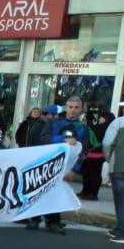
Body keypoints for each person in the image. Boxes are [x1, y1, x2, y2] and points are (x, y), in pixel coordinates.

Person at [37, 96, 93, 235]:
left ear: (81, 110)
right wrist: (63, 140)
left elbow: (83, 151)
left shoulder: (83, 128)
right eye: (70, 107)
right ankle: (36, 218)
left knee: (58, 192)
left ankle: (53, 220)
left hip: (67, 167)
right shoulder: (54, 123)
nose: (73, 110)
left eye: (76, 107)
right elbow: (44, 139)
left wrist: (74, 170)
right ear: (66, 107)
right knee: (42, 190)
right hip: (49, 163)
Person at [102, 96, 124, 244]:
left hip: (119, 165)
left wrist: (109, 159)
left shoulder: (118, 122)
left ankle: (123, 230)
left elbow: (107, 143)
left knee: (121, 198)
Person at [81, 111, 114, 200]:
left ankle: (90, 193)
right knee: (92, 174)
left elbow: (91, 132)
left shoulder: (102, 128)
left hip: (95, 154)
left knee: (91, 174)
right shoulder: (109, 128)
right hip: (97, 154)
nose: (100, 119)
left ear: (105, 118)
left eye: (101, 117)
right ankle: (88, 192)